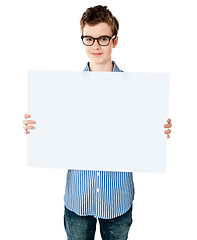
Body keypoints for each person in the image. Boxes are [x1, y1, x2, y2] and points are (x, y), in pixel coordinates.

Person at [23, 5, 172, 240]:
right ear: (82, 40)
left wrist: (158, 130)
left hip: (117, 199)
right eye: (89, 38)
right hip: (78, 198)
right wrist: (36, 127)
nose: (95, 45)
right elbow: (55, 135)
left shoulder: (138, 92)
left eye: (103, 38)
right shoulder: (64, 91)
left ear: (115, 41)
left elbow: (145, 137)